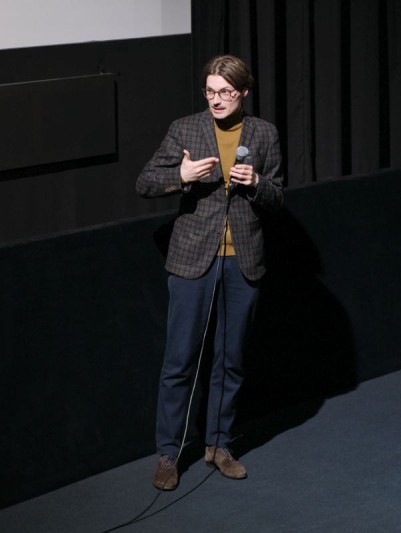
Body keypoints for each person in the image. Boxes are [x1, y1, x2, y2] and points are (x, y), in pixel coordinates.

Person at [136, 54, 284, 490]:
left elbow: (278, 197)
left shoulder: (264, 134)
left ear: (244, 92)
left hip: (243, 260)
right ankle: (168, 454)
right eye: (210, 91)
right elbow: (145, 183)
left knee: (231, 360)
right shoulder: (185, 129)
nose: (216, 100)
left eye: (226, 92)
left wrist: (257, 183)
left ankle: (219, 445)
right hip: (192, 259)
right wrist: (181, 175)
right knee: (180, 360)